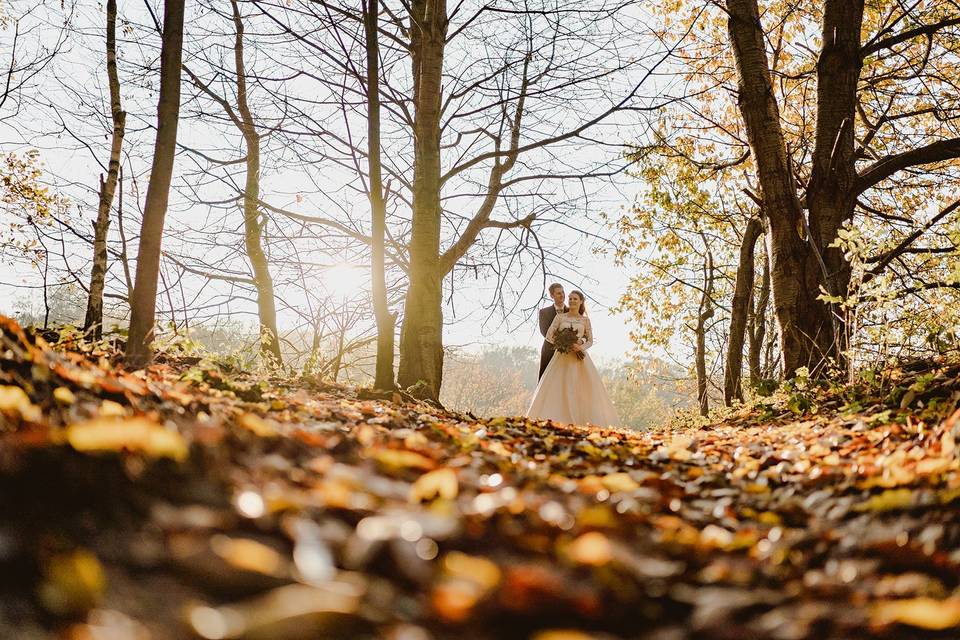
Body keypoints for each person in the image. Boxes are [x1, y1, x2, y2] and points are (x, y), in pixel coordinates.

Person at [526, 290, 619, 427]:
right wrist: (563, 343)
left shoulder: (585, 320)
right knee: (558, 387)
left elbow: (590, 341)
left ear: (581, 301)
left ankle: (582, 420)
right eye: (570, 299)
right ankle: (557, 417)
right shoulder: (560, 318)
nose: (571, 301)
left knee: (580, 389)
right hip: (561, 357)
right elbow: (549, 336)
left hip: (578, 358)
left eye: (575, 299)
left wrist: (580, 346)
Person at [538, 283, 567, 380]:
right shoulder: (544, 312)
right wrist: (562, 342)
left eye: (563, 292)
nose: (562, 295)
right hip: (549, 350)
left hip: (568, 353)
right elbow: (544, 332)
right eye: (559, 293)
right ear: (552, 296)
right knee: (547, 380)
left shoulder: (573, 311)